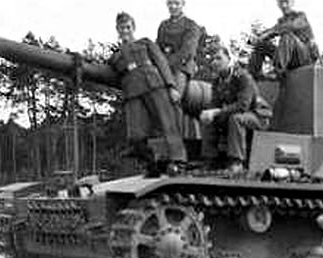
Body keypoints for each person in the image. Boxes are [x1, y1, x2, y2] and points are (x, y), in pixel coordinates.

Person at [108, 12, 187, 176]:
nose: (125, 31)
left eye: (128, 27)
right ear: (117, 30)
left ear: (133, 27)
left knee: (168, 123)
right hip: (132, 92)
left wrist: (171, 86)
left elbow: (161, 62)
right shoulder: (115, 56)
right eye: (122, 28)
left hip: (154, 84)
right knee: (136, 134)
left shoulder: (145, 43)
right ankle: (151, 164)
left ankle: (178, 160)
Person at [199, 47, 273, 172]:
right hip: (238, 114)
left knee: (236, 118)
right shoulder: (217, 81)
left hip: (258, 116)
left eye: (219, 58)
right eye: (212, 59)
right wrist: (208, 113)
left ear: (229, 59)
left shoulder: (242, 77)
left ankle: (236, 161)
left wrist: (217, 111)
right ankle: (210, 160)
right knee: (209, 119)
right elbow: (214, 104)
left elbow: (243, 105)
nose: (215, 62)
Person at [249, 0, 318, 80]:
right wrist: (257, 38)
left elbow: (289, 26)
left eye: (286, 2)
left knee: (288, 36)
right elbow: (272, 30)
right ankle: (253, 75)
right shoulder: (281, 21)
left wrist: (266, 34)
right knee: (262, 45)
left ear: (292, 2)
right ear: (278, 4)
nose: (284, 5)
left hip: (305, 58)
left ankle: (278, 70)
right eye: (281, 2)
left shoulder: (301, 16)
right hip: (289, 59)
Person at [157, 0, 203, 98]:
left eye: (177, 3)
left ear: (183, 4)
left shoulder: (191, 25)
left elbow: (187, 51)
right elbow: (157, 47)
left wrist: (167, 63)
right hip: (163, 65)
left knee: (174, 97)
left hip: (181, 66)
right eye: (170, 3)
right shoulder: (163, 25)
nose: (173, 6)